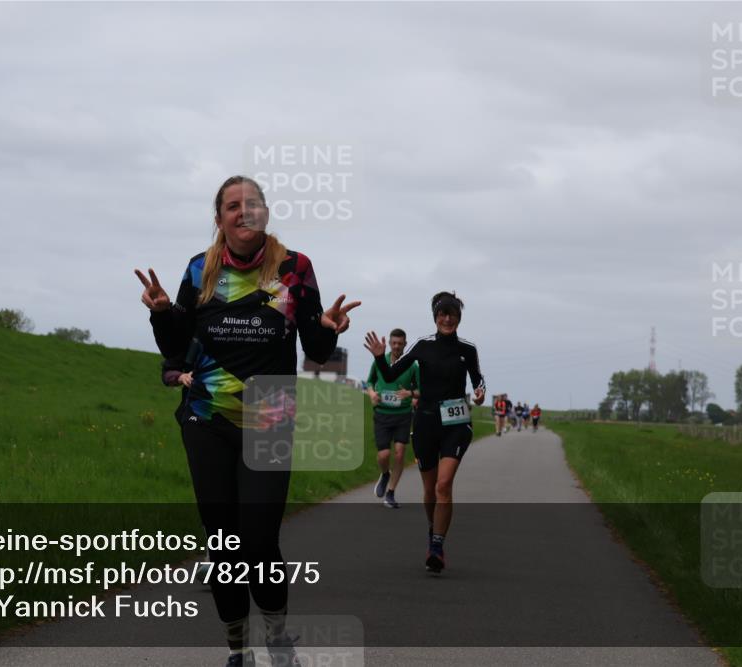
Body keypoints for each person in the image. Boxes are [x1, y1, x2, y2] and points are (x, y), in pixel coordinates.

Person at [136, 175, 360, 667]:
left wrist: (328, 329)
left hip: (270, 417)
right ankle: (238, 650)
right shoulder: (200, 269)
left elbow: (315, 348)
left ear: (265, 213)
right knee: (224, 544)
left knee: (259, 542)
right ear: (219, 219)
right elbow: (176, 346)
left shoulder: (294, 268)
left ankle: (278, 637)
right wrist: (161, 313)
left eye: (252, 203)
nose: (244, 212)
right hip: (207, 419)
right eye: (233, 205)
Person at [364, 291, 485, 573]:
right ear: (435, 318)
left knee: (444, 485)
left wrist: (480, 393)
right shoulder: (422, 345)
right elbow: (391, 375)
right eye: (442, 314)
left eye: (452, 315)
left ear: (459, 318)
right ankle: (434, 530)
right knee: (430, 489)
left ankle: (437, 547)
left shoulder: (467, 349)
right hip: (426, 424)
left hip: (456, 424)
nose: (447, 319)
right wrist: (380, 358)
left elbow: (478, 380)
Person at [366, 328, 419, 509]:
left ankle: (391, 493)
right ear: (389, 343)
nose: (396, 346)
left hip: (403, 414)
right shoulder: (379, 361)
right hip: (382, 413)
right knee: (384, 455)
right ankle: (385, 474)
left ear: (405, 344)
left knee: (399, 452)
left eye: (400, 343)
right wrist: (372, 393)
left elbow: (420, 389)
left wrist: (410, 393)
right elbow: (370, 381)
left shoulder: (412, 366)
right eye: (394, 343)